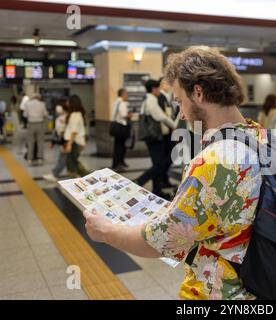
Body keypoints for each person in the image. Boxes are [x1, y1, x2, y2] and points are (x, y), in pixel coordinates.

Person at [83, 47, 265, 300]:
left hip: (223, 293)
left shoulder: (213, 163)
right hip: (260, 281)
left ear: (198, 93)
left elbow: (162, 240)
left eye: (179, 101)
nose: (181, 113)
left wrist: (107, 232)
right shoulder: (261, 136)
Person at [135, 79, 179, 198]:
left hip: (153, 137)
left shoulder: (148, 99)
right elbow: (160, 117)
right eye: (158, 88)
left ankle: (156, 189)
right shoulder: (151, 100)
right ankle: (140, 181)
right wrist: (175, 126)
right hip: (154, 137)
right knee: (159, 164)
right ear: (154, 89)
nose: (159, 90)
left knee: (158, 163)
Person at [158, 77, 178, 189]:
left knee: (168, 156)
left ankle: (164, 179)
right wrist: (174, 126)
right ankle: (161, 177)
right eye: (164, 83)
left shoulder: (166, 97)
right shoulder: (161, 97)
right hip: (165, 132)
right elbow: (164, 115)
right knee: (168, 157)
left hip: (169, 131)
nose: (167, 85)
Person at [43, 100, 69, 182]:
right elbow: (56, 131)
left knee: (63, 158)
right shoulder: (60, 118)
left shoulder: (67, 117)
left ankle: (55, 174)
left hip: (65, 140)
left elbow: (62, 131)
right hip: (63, 141)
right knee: (67, 158)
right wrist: (53, 142)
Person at [64, 95, 89, 178]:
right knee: (74, 162)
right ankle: (85, 177)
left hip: (75, 142)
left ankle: (82, 178)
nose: (66, 103)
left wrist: (69, 144)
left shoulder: (75, 115)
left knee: (71, 164)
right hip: (76, 141)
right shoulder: (78, 114)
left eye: (68, 101)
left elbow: (74, 131)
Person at [23, 94, 48, 165]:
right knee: (40, 142)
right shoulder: (42, 104)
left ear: (32, 97)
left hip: (31, 124)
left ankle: (30, 159)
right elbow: (45, 114)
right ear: (38, 98)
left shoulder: (27, 104)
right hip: (40, 124)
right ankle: (40, 158)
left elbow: (25, 115)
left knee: (30, 142)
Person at [111, 88, 131, 171]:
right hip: (121, 127)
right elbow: (123, 114)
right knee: (120, 146)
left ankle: (119, 162)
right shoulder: (121, 103)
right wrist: (129, 116)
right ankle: (118, 164)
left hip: (117, 127)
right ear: (122, 94)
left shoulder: (116, 102)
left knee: (118, 146)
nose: (127, 96)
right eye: (126, 94)